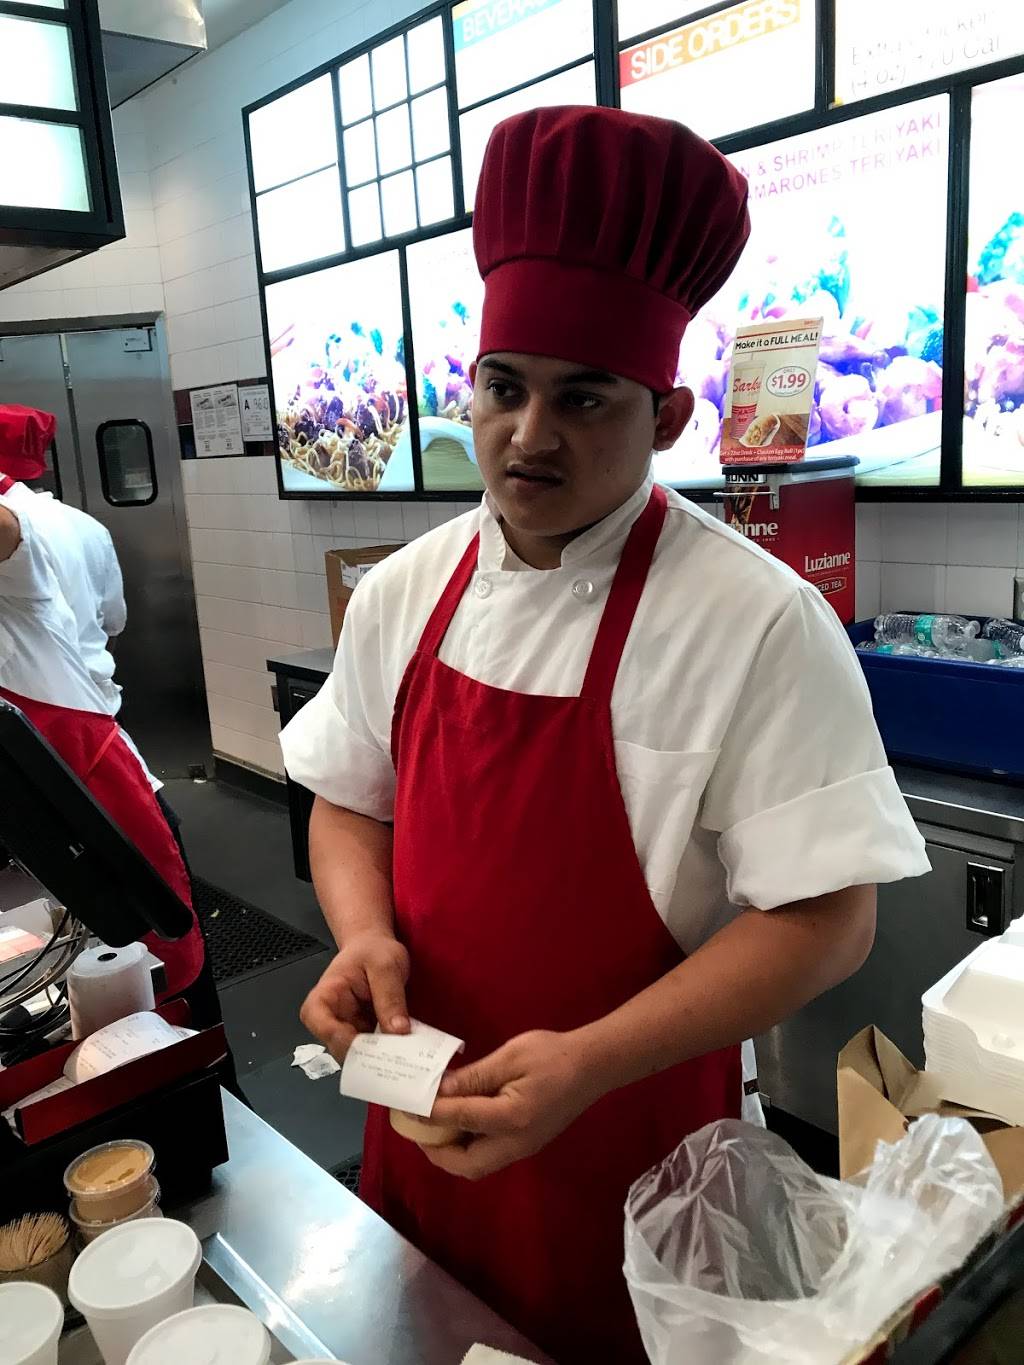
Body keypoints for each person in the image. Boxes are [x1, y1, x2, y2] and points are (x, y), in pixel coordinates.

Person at [282, 107, 930, 1363]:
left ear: (667, 415)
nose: (531, 437)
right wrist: (363, 937)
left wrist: (586, 1062)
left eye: (583, 399)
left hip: (636, 1144)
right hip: (416, 1102)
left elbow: (828, 919)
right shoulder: (405, 590)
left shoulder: (755, 621)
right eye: (505, 389)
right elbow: (350, 797)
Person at [0, 403, 208, 1018]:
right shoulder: (84, 527)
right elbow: (113, 621)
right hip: (97, 737)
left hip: (79, 764)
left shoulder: (18, 532)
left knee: (143, 933)